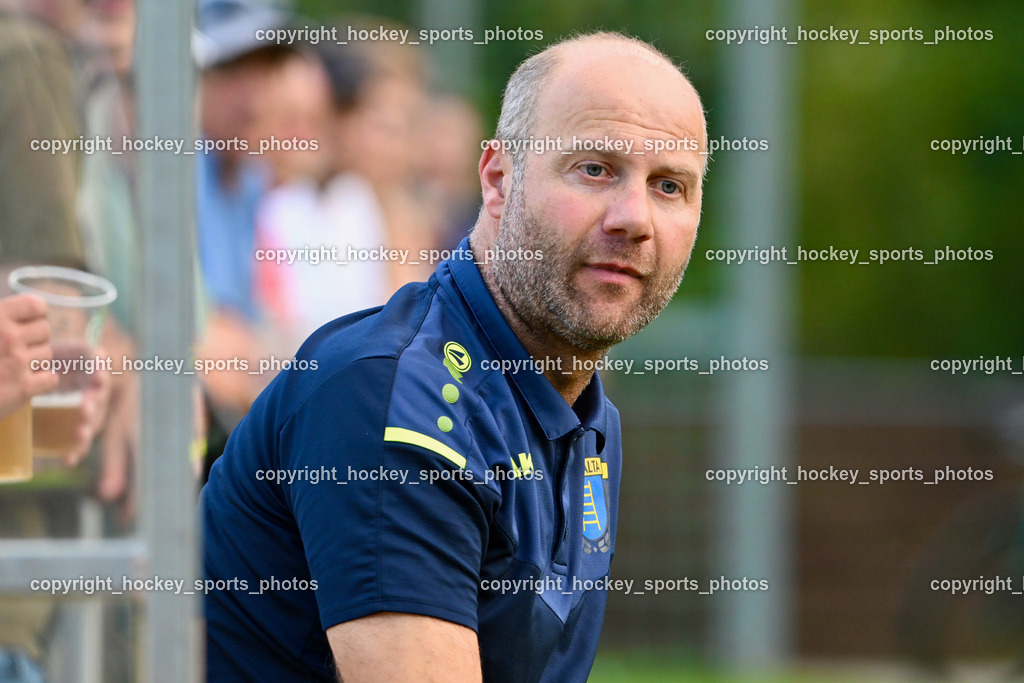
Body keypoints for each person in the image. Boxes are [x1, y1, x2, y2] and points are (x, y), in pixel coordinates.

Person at [202, 31, 707, 681]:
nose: (634, 217)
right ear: (498, 178)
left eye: (670, 186)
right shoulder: (396, 397)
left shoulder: (587, 414)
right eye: (594, 169)